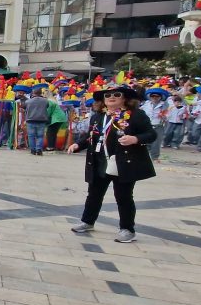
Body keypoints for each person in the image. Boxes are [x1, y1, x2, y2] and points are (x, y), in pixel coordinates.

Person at [67, 84, 156, 243]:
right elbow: (91, 136)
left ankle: (127, 229)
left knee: (123, 196)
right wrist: (78, 145)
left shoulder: (136, 115)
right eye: (107, 95)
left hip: (123, 162)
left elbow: (151, 134)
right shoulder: (98, 116)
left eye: (117, 94)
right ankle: (87, 221)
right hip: (100, 160)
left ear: (125, 98)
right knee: (94, 194)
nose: (111, 97)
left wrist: (135, 139)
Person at [140, 88, 169, 160]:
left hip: (158, 125)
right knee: (146, 140)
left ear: (160, 97)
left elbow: (168, 116)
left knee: (156, 142)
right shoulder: (146, 104)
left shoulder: (164, 105)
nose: (155, 98)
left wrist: (164, 116)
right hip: (147, 125)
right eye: (153, 96)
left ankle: (155, 157)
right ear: (150, 97)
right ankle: (144, 155)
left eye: (157, 96)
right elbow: (140, 111)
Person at [24, 88, 49, 156]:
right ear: (41, 93)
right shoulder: (45, 101)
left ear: (33, 93)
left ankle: (33, 150)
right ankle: (39, 149)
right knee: (40, 136)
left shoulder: (28, 101)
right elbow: (47, 106)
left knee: (31, 136)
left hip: (30, 120)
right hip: (41, 120)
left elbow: (25, 107)